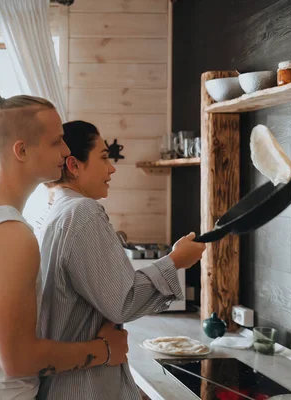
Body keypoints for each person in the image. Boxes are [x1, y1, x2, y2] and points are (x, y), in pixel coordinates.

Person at [0, 92, 129, 400]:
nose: (65, 151)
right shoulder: (11, 235)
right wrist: (103, 350)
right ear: (21, 150)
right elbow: (18, 360)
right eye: (56, 142)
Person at [36, 120, 206, 400]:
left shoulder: (53, 214)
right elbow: (123, 302)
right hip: (83, 388)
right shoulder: (83, 212)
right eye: (104, 158)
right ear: (74, 165)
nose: (112, 168)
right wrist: (176, 261)